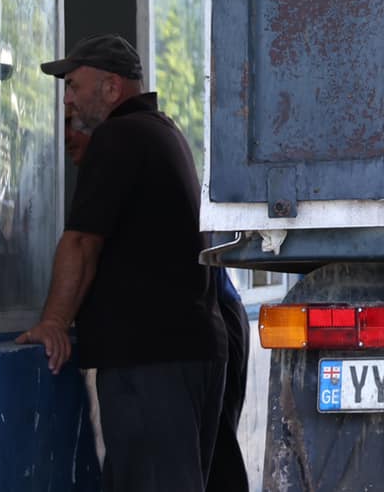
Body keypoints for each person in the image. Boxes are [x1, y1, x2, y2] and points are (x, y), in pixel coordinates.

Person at [19, 34, 227, 492]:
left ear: (111, 87)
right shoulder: (160, 130)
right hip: (180, 353)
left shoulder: (119, 136)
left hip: (151, 359)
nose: (68, 100)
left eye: (74, 86)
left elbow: (81, 243)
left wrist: (53, 322)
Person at [65, 116, 250, 492]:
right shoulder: (156, 140)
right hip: (204, 330)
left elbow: (82, 247)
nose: (67, 139)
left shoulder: (124, 152)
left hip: (197, 330)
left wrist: (55, 320)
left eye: (73, 127)